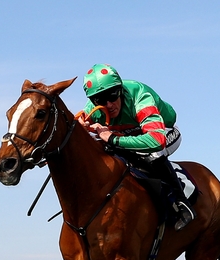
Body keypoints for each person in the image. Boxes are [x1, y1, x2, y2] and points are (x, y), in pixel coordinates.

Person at [80, 63, 195, 231]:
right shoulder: (93, 109)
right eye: (100, 100)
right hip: (132, 135)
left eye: (112, 95)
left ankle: (181, 204)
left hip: (164, 133)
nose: (109, 104)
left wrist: (112, 138)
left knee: (150, 153)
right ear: (93, 100)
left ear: (120, 90)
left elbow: (156, 141)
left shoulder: (140, 96)